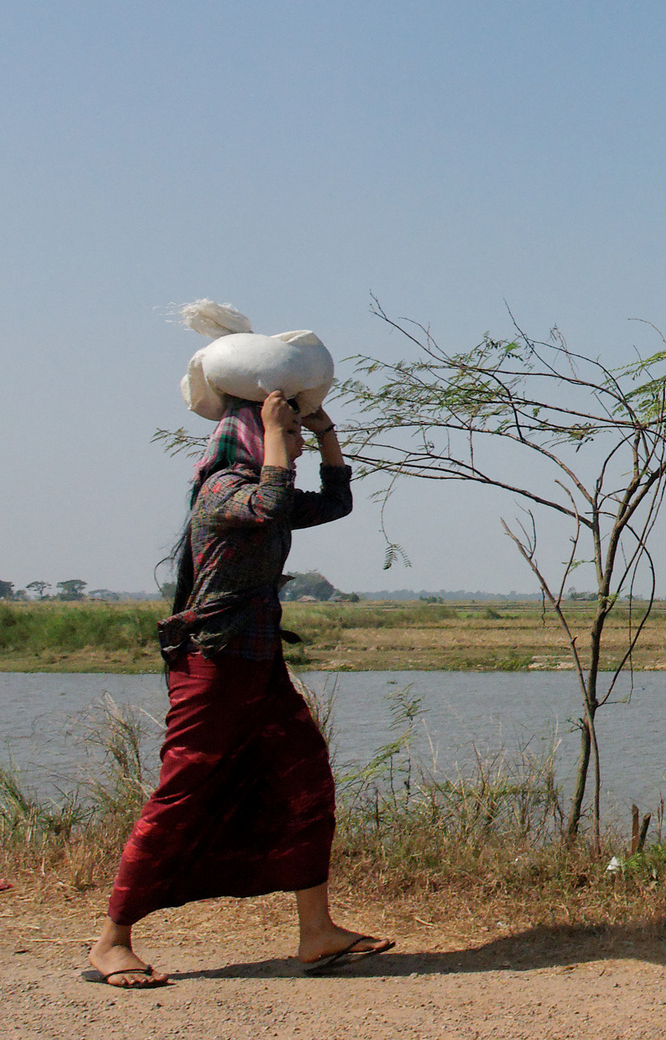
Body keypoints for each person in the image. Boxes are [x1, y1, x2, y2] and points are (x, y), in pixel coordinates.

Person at [88, 391, 392, 989]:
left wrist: (326, 431)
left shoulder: (259, 492)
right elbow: (273, 500)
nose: (296, 441)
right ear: (254, 436)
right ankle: (111, 941)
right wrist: (280, 432)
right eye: (284, 432)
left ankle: (316, 932)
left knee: (305, 778)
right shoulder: (224, 490)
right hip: (214, 665)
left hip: (258, 664)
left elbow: (335, 503)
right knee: (183, 793)